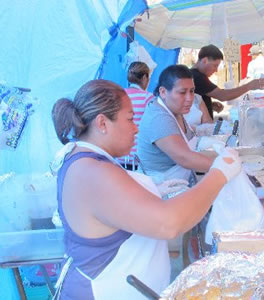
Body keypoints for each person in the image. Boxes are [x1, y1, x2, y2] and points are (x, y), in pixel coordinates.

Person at [51, 79, 241, 299]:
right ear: (102, 123)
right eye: (130, 119)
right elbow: (168, 224)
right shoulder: (91, 171)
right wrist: (219, 174)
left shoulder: (86, 159)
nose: (135, 127)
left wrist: (154, 192)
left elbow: (110, 209)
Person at [137, 65, 216, 184]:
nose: (190, 98)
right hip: (160, 190)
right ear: (163, 92)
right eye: (182, 92)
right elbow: (184, 158)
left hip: (180, 184)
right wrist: (224, 166)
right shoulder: (159, 118)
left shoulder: (175, 111)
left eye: (192, 91)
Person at [190, 44, 264, 119]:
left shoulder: (193, 75)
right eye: (215, 65)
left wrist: (210, 105)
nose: (216, 70)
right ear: (204, 61)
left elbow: (194, 102)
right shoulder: (197, 77)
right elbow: (222, 95)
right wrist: (249, 86)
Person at [118, 62, 154, 168]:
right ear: (144, 77)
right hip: (139, 157)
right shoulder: (148, 98)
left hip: (119, 155)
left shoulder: (118, 95)